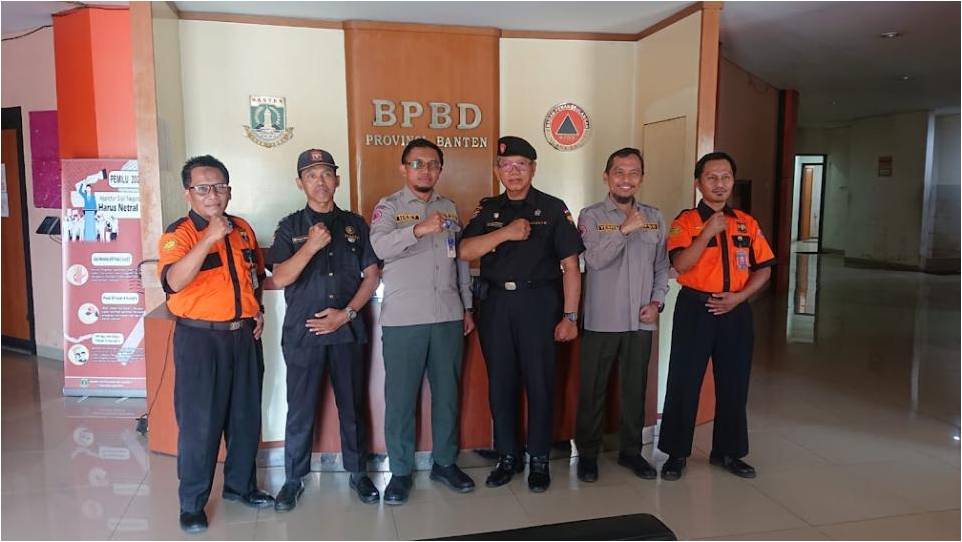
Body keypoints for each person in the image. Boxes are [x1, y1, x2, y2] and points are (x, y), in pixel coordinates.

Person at [460, 136, 584, 493]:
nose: (513, 172)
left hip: (539, 304)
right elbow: (465, 251)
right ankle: (508, 457)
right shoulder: (488, 209)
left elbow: (571, 266)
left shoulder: (552, 208)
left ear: (533, 168)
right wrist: (506, 233)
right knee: (501, 383)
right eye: (506, 165)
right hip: (496, 305)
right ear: (497, 170)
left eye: (520, 165)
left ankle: (539, 458)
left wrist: (570, 316)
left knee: (540, 383)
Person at [156, 155, 272, 534]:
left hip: (244, 337)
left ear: (229, 191)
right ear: (187, 193)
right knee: (200, 425)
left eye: (219, 186)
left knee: (245, 418)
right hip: (200, 341)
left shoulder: (243, 229)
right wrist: (208, 238)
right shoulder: (180, 234)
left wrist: (257, 309)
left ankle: (241, 486)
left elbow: (254, 275)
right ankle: (192, 504)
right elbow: (173, 281)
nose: (212, 194)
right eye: (203, 188)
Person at [269, 149, 381, 511]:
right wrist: (310, 247)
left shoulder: (355, 225)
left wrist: (345, 314)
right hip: (304, 333)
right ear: (300, 183)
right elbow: (280, 277)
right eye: (311, 175)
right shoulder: (290, 227)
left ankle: (358, 473)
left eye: (326, 174)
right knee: (300, 408)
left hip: (347, 330)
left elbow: (372, 275)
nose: (320, 181)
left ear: (337, 180)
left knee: (352, 406)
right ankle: (293, 479)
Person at [370, 138, 476, 505]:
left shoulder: (449, 207)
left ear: (440, 170)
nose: (425, 170)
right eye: (417, 163)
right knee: (401, 398)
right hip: (404, 319)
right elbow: (380, 247)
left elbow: (459, 260)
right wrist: (418, 229)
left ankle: (444, 463)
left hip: (447, 315)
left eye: (432, 164)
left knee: (447, 395)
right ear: (404, 168)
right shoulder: (388, 207)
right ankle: (400, 471)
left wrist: (467, 306)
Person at [657, 151, 775, 481]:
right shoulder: (685, 221)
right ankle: (676, 454)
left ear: (733, 181)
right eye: (711, 177)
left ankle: (728, 452)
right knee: (684, 381)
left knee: (734, 383)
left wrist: (739, 298)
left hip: (735, 310)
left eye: (725, 177)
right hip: (696, 308)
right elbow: (681, 264)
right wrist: (707, 232)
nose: (719, 183)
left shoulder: (747, 223)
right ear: (698, 183)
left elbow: (764, 269)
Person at [575, 147, 669, 483]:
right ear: (607, 177)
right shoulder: (590, 216)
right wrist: (624, 230)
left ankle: (631, 452)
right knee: (593, 390)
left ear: (641, 178)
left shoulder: (655, 217)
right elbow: (594, 260)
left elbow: (662, 266)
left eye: (633, 173)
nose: (626, 179)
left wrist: (656, 302)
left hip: (641, 320)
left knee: (634, 389)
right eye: (619, 172)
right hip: (602, 319)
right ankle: (588, 455)